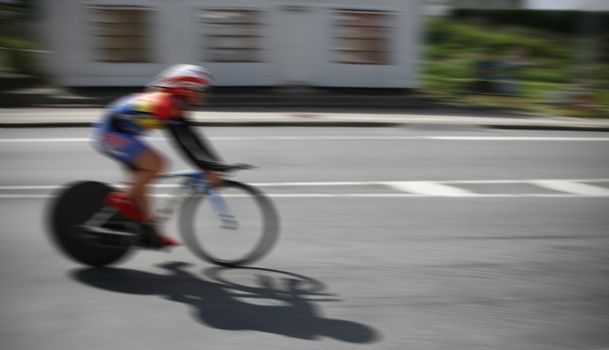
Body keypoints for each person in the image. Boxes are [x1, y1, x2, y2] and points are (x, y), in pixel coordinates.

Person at [92, 64, 230, 249]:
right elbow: (183, 142)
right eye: (200, 90)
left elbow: (192, 137)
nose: (203, 95)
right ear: (186, 88)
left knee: (143, 188)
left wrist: (215, 163)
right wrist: (207, 168)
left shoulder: (175, 104)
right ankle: (122, 199)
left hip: (119, 134)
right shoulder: (166, 104)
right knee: (158, 164)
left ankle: (148, 234)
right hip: (109, 134)